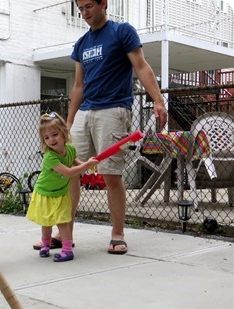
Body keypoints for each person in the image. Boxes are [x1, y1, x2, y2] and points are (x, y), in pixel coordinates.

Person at [34, 0, 167, 255]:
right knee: (71, 172)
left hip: (114, 109)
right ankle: (65, 236)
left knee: (110, 174)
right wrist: (70, 121)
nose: (84, 13)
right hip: (85, 111)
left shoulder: (122, 32)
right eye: (80, 9)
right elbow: (78, 86)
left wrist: (158, 101)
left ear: (103, 3)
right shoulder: (82, 44)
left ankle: (117, 234)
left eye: (88, 7)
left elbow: (141, 66)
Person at [27, 112, 98, 262]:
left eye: (54, 134)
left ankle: (67, 250)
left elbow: (75, 162)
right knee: (46, 222)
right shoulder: (50, 157)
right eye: (46, 137)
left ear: (64, 133)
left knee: (62, 221)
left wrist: (88, 166)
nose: (51, 140)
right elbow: (70, 172)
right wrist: (87, 164)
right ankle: (45, 245)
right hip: (44, 193)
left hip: (60, 193)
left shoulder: (70, 149)